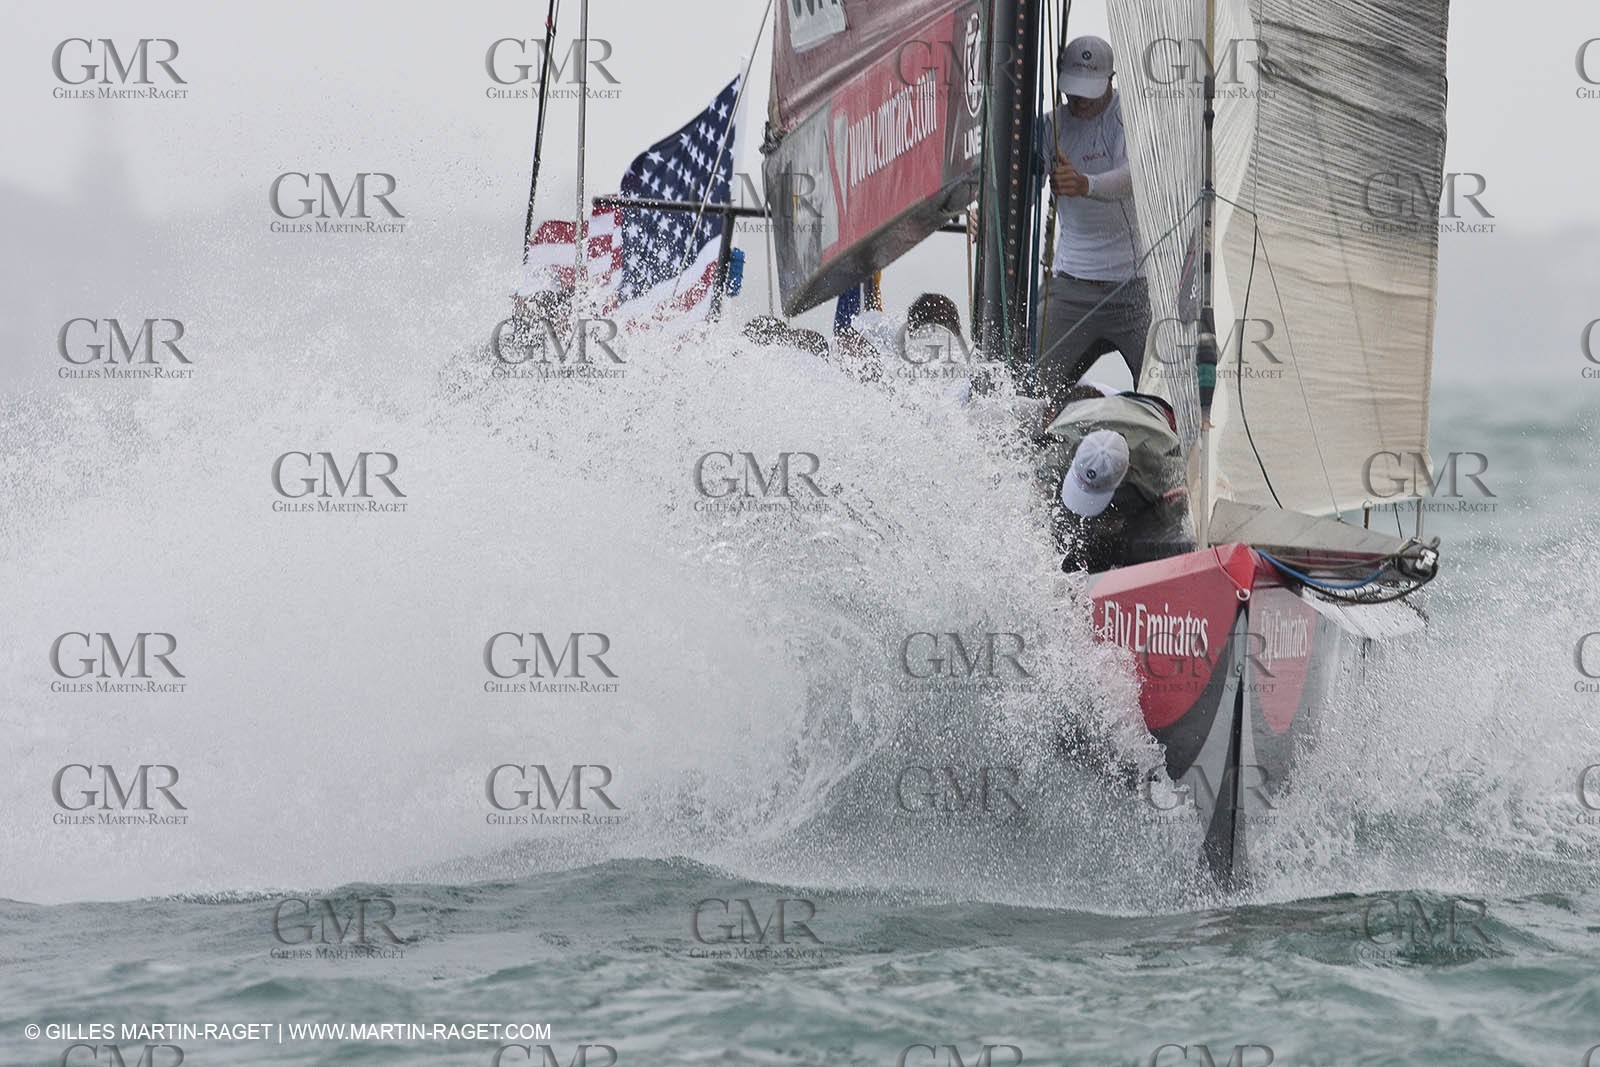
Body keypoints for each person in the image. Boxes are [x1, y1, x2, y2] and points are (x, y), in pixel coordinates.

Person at [1034, 36, 1150, 408]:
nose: (1079, 100)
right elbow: (1015, 179)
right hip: (1071, 286)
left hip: (1133, 288)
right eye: (1072, 90)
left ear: (1111, 79)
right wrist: (980, 213)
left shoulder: (1127, 116)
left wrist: (1085, 184)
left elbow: (1133, 177)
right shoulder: (1049, 127)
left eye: (1089, 91)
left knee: (1162, 393)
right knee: (1029, 386)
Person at [1044, 385, 1194, 572]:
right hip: (1087, 413)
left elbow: (1195, 489)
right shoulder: (1057, 447)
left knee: (1172, 513)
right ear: (1076, 452)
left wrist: (1188, 498)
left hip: (1148, 413)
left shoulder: (1159, 466)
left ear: (1127, 470)